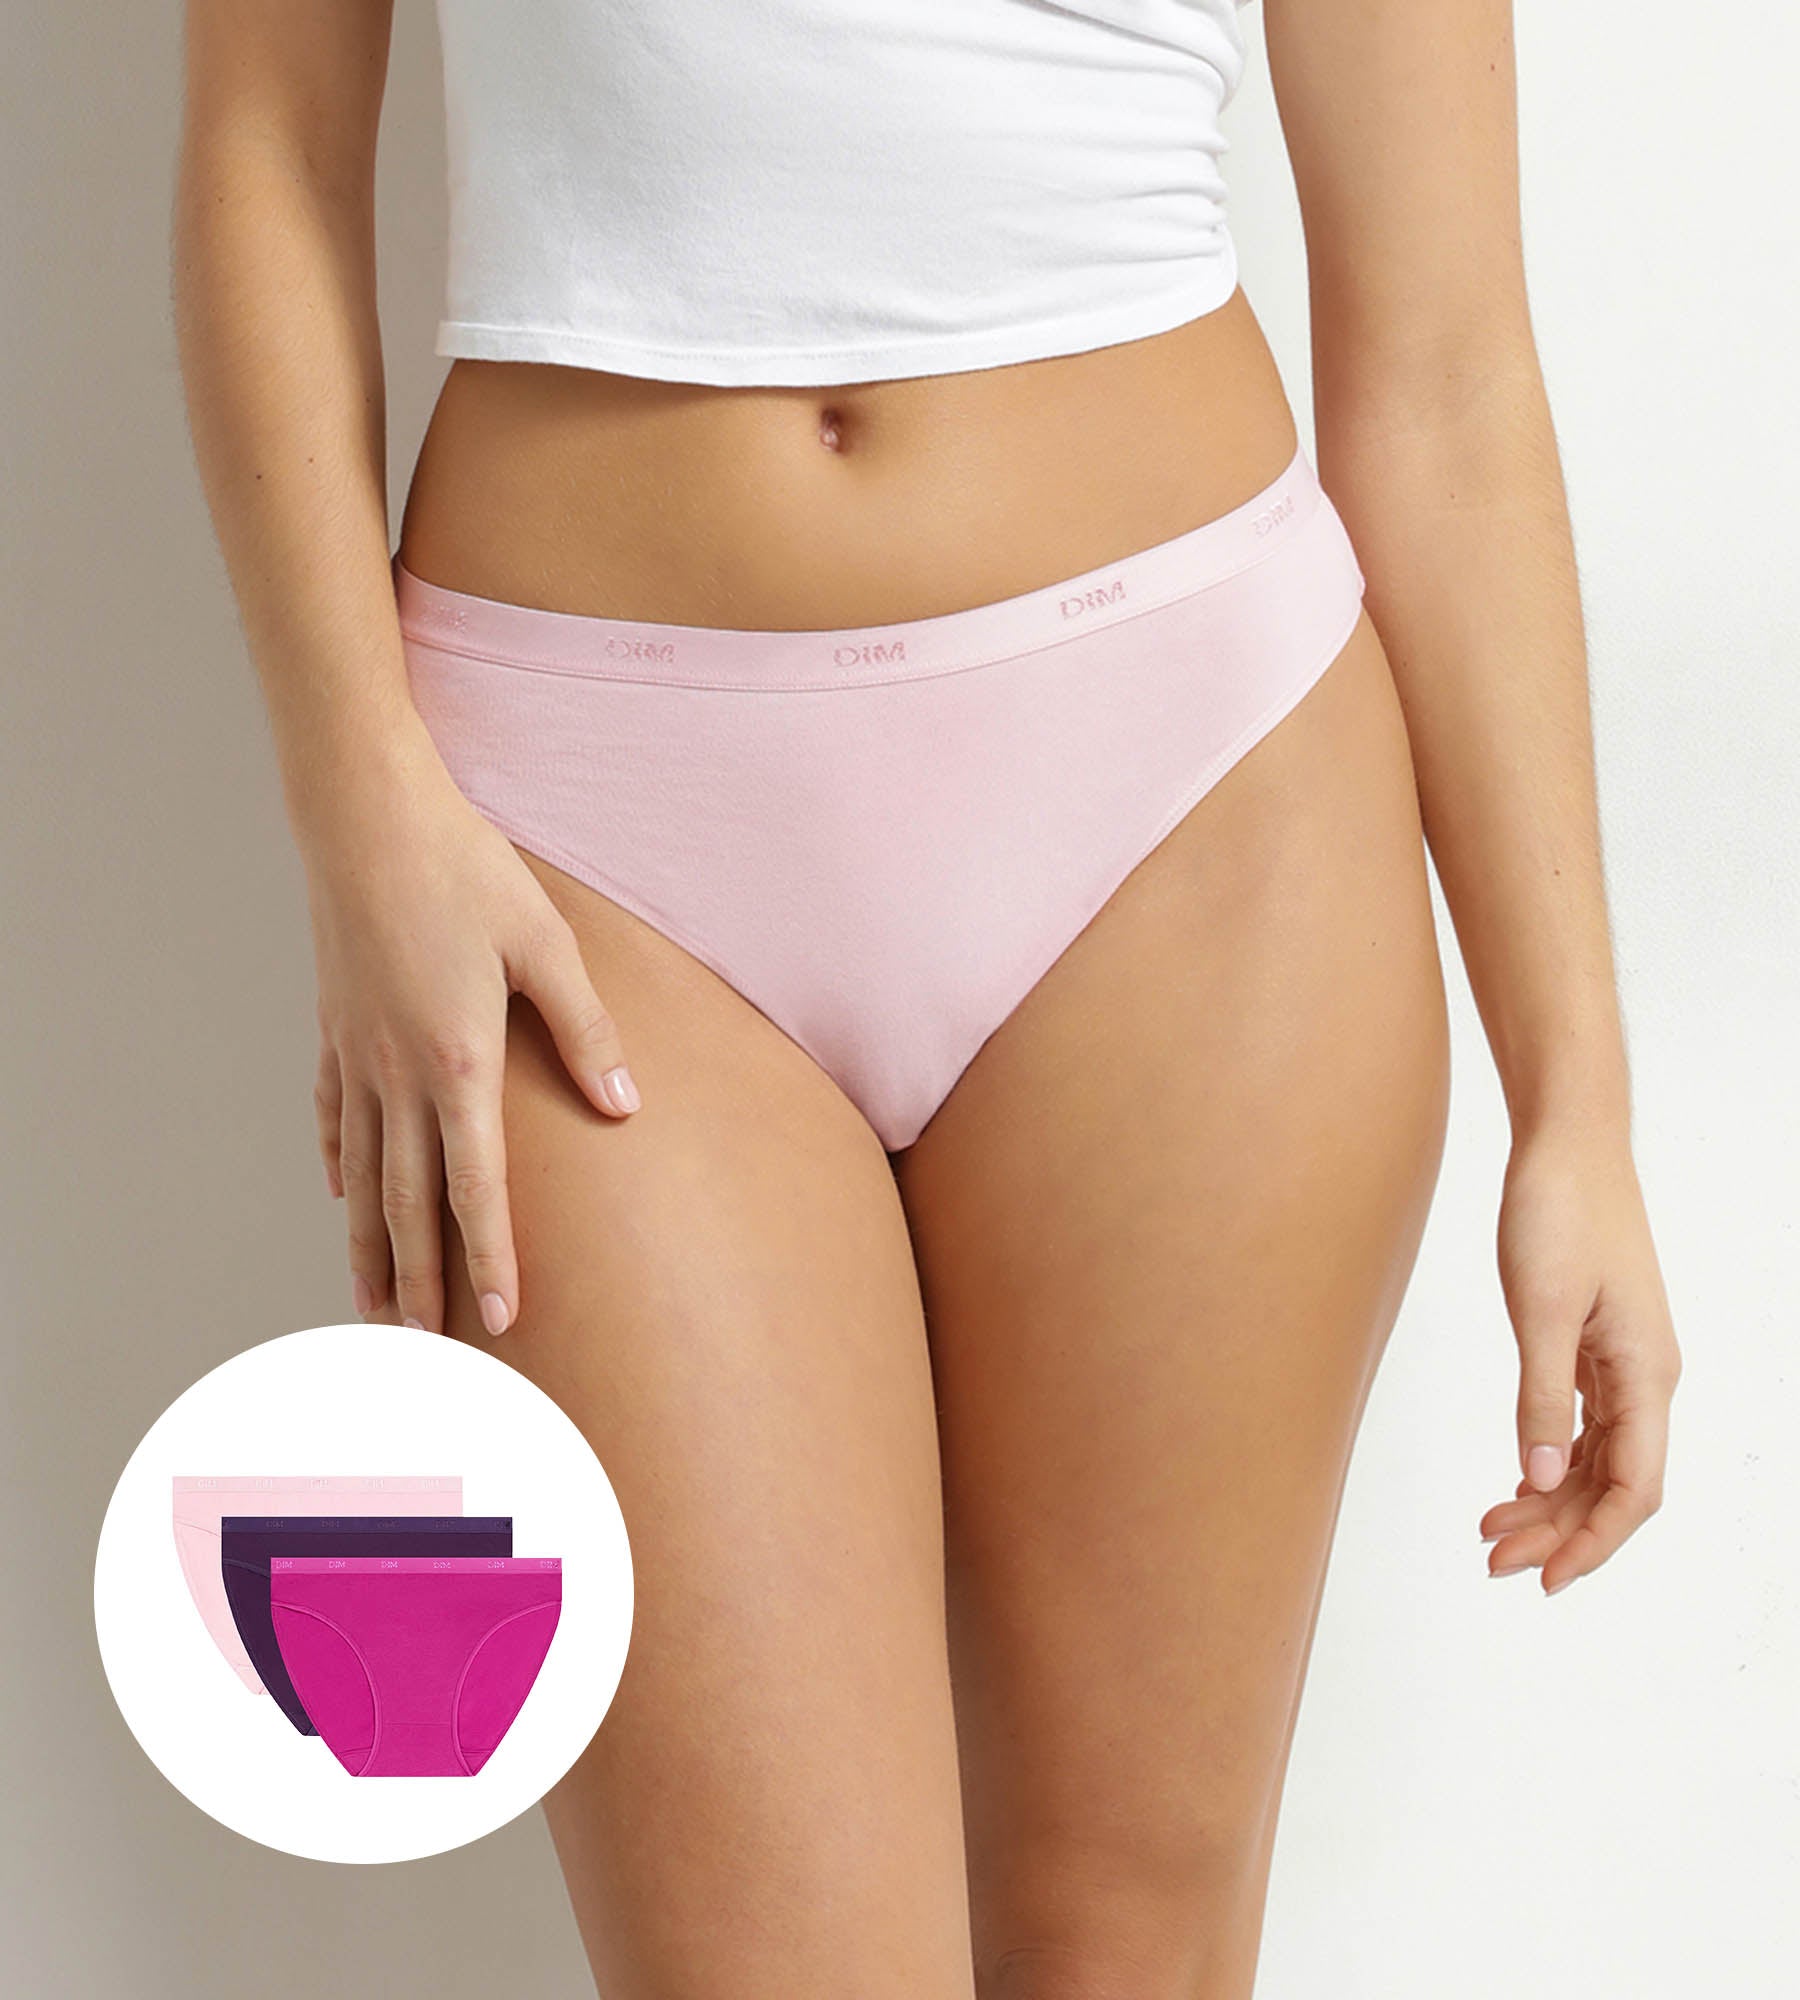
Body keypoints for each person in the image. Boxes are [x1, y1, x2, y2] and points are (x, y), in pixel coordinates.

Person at [173, 3, 1681, 1993]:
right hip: (577, 851)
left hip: (1187, 785)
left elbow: (1447, 370)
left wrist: (1576, 1105)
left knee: (1125, 1946)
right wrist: (358, 806)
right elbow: (268, 148)